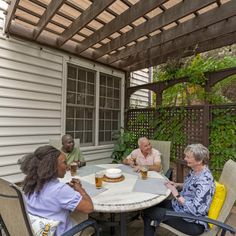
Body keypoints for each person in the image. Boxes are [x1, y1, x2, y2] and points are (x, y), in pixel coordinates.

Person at [142, 143, 215, 236]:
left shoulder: (205, 181)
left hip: (191, 221)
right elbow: (192, 187)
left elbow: (197, 210)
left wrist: (176, 194)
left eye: (188, 157)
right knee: (149, 205)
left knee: (148, 212)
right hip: (179, 207)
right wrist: (177, 185)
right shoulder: (195, 170)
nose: (185, 159)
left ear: (199, 160)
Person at [22, 145, 93, 236]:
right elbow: (89, 208)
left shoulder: (30, 183)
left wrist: (66, 189)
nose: (67, 167)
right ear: (52, 167)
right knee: (85, 216)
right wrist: (80, 189)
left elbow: (50, 194)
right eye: (64, 163)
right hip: (59, 233)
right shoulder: (60, 190)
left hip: (36, 229)